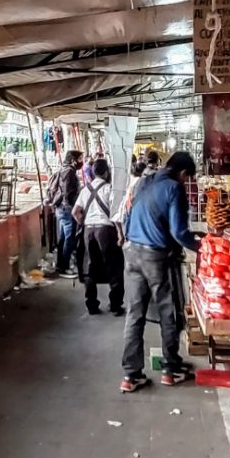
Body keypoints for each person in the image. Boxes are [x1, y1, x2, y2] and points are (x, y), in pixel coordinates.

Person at [120, 152, 200, 393]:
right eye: (188, 178)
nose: (186, 182)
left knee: (135, 314)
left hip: (131, 251)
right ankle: (170, 369)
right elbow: (179, 232)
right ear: (183, 173)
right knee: (168, 311)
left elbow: (126, 217)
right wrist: (202, 247)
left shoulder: (144, 181)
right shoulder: (174, 188)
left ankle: (131, 375)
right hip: (155, 256)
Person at [72, 159, 125, 317]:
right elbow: (115, 214)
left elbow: (75, 212)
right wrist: (120, 234)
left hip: (89, 230)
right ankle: (115, 305)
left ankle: (91, 305)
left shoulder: (85, 190)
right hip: (106, 230)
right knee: (114, 266)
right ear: (106, 172)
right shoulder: (109, 189)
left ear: (94, 172)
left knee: (90, 268)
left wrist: (84, 223)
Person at [56, 150, 83, 278]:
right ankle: (64, 267)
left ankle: (60, 264)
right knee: (69, 238)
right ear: (73, 160)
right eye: (80, 159)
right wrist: (73, 207)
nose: (81, 161)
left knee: (63, 238)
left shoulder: (64, 169)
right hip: (67, 209)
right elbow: (67, 193)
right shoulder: (69, 172)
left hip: (62, 209)